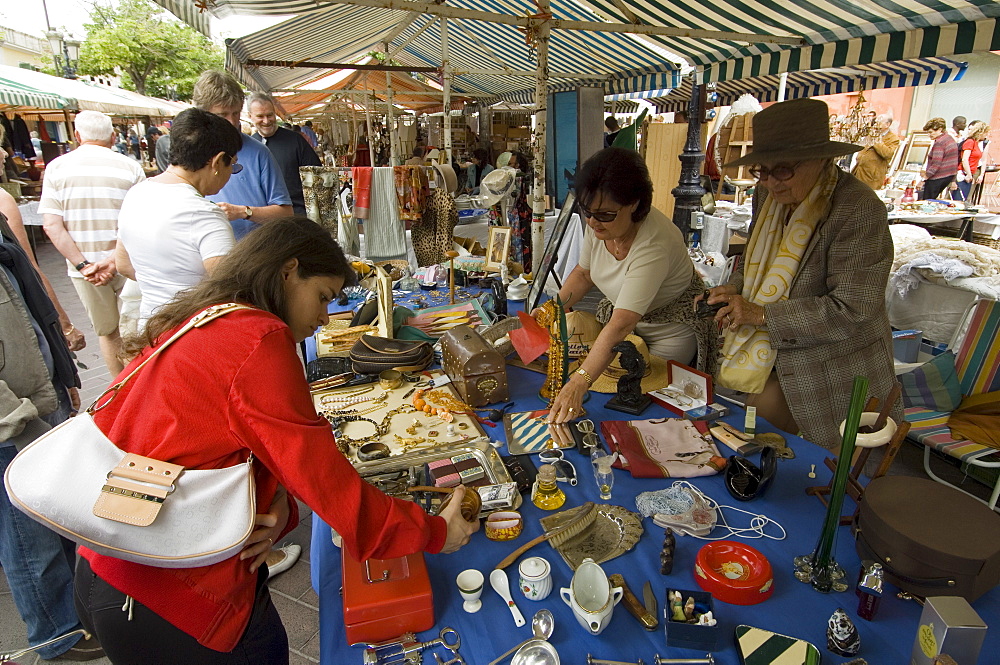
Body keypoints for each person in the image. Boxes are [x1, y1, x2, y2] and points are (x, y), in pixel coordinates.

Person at [73, 217, 478, 663]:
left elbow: (209, 437)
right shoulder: (259, 339)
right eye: (322, 296)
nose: (325, 317)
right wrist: (437, 532)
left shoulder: (209, 316)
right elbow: (330, 486)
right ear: (288, 272)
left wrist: (277, 499)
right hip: (171, 594)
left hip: (113, 564)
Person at [703, 97, 898, 449]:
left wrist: (760, 312)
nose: (771, 183)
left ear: (822, 159)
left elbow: (853, 309)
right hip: (772, 356)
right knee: (754, 448)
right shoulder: (767, 196)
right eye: (762, 170)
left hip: (837, 367)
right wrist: (733, 290)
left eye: (784, 170)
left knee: (836, 477)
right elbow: (752, 264)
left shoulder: (858, 210)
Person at [541, 147, 711, 424]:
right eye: (587, 211)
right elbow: (584, 275)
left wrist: (579, 382)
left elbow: (621, 323)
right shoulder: (601, 222)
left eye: (605, 214)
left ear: (634, 203)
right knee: (603, 391)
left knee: (642, 407)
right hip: (624, 326)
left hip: (668, 333)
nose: (593, 222)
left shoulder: (654, 244)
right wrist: (551, 310)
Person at [0, 213, 104, 661]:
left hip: (34, 400)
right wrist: (15, 416)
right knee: (28, 535)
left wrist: (60, 375)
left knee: (51, 517)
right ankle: (57, 633)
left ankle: (72, 617)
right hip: (15, 417)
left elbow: (28, 308)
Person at [39, 110, 146, 375]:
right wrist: (112, 261)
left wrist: (83, 265)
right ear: (112, 137)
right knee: (135, 330)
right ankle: (139, 388)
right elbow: (143, 218)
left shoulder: (56, 168)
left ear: (77, 136)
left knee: (108, 333)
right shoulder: (130, 166)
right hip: (128, 262)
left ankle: (117, 394)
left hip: (85, 270)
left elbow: (52, 225)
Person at [115, 107, 241, 329]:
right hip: (193, 331)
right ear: (218, 161)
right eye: (233, 165)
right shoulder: (204, 214)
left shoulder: (137, 193)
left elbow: (123, 264)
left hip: (151, 328)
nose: (231, 172)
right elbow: (231, 289)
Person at [193, 70, 292, 241]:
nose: (232, 122)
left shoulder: (259, 152)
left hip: (255, 255)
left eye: (236, 113)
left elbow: (285, 212)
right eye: (222, 115)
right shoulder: (190, 153)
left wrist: (242, 212)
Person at [247, 92, 322, 216]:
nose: (266, 121)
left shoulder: (295, 140)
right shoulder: (249, 145)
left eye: (269, 115)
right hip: (261, 218)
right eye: (260, 116)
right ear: (250, 116)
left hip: (297, 214)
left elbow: (316, 176)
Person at [851, 114, 899, 190]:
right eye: (875, 121)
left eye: (879, 122)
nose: (875, 124)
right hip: (859, 172)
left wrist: (876, 140)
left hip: (872, 177)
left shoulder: (893, 138)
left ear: (887, 124)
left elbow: (887, 154)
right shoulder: (871, 134)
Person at [920, 117, 959, 200]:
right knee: (933, 200)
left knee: (927, 201)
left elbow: (936, 164)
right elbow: (955, 161)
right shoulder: (949, 139)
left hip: (938, 177)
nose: (929, 135)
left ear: (940, 130)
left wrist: (924, 179)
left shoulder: (939, 143)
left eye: (931, 132)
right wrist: (953, 179)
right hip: (948, 175)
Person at [957, 121, 991, 201]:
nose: (986, 135)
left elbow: (982, 159)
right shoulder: (970, 142)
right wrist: (968, 174)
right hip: (963, 174)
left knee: (966, 197)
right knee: (959, 198)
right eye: (985, 133)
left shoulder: (977, 143)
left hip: (971, 172)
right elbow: (965, 159)